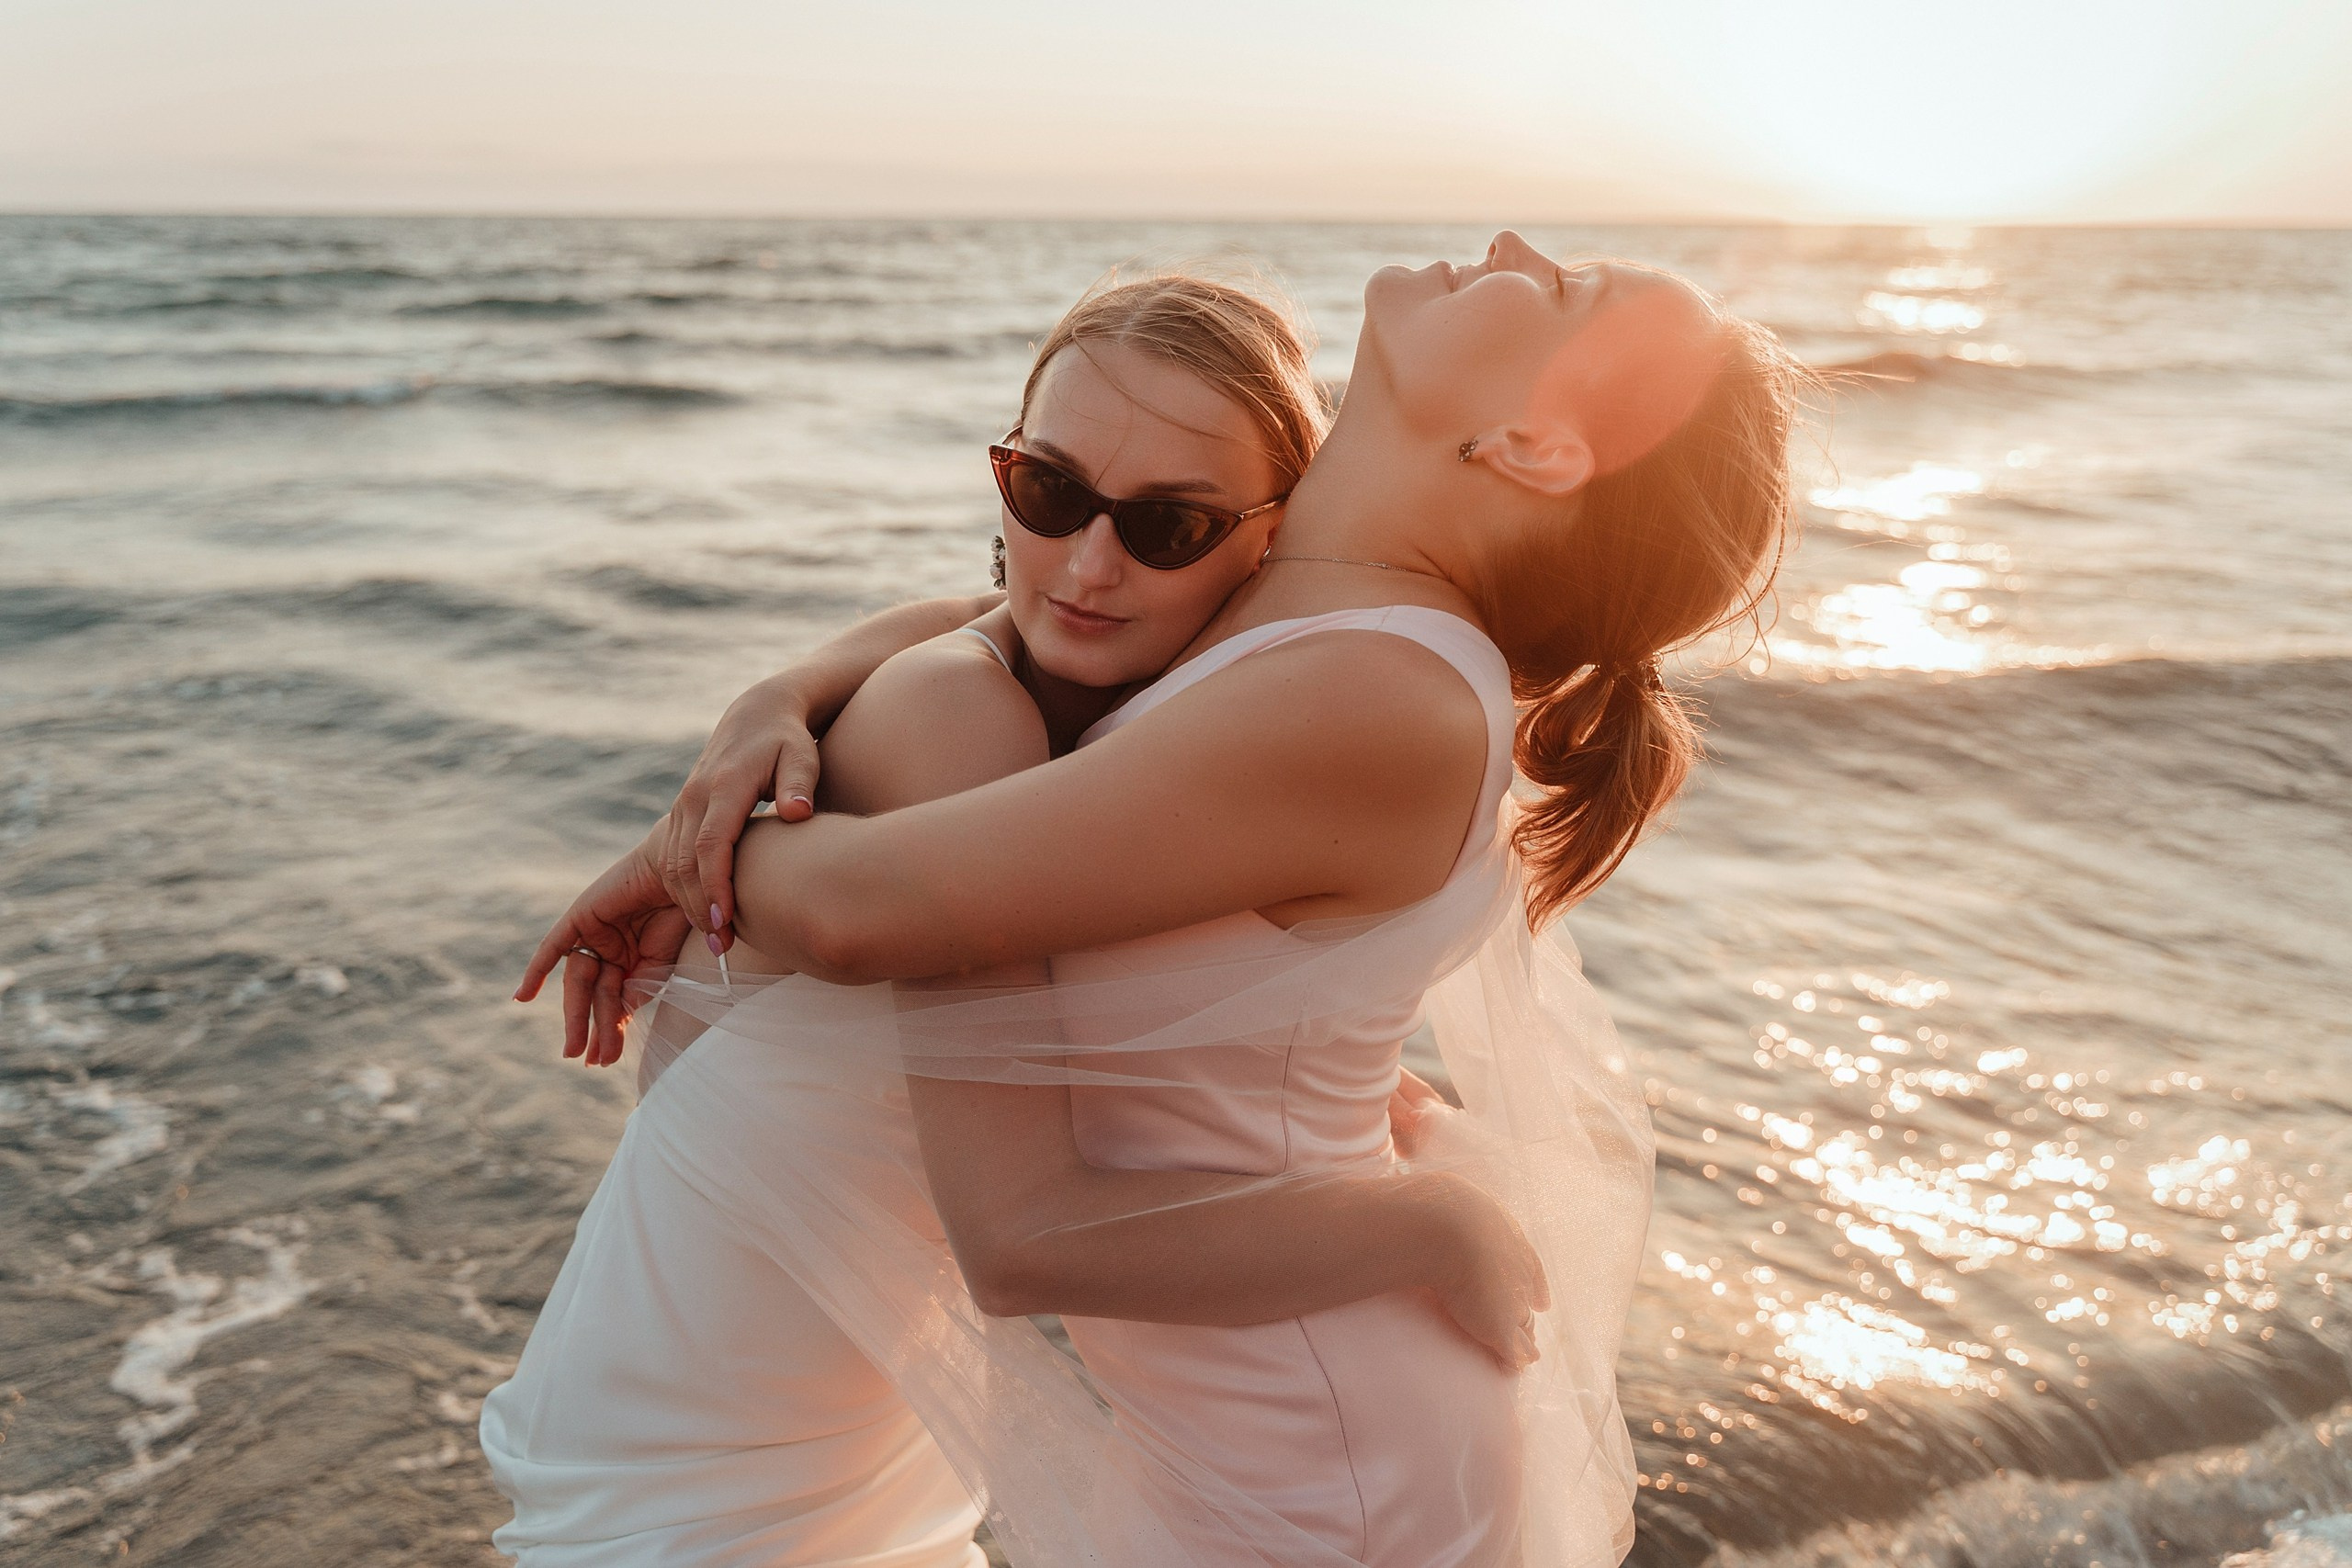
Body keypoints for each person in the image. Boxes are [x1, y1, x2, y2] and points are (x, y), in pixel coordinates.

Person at [521, 231, 1804, 1566]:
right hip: (1267, 1410)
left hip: (1327, 1457)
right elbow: (1009, 613)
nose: (1512, 246)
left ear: (1534, 447)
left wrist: (693, 845)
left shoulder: (1382, 695)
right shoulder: (1302, 599)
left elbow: (857, 915)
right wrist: (768, 710)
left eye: (1561, 289)